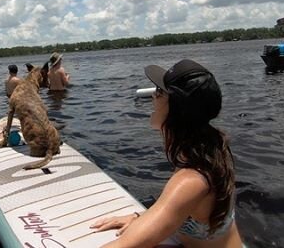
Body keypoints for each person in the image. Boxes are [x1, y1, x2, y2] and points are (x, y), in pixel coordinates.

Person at [91, 59, 242, 248]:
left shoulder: (192, 180)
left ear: (178, 109)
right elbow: (183, 207)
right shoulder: (213, 148)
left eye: (159, 92)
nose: (153, 97)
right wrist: (141, 218)